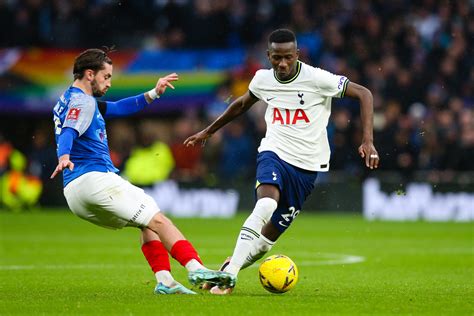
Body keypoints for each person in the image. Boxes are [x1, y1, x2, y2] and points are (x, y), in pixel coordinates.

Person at [184, 29, 380, 294]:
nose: (283, 64)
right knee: (265, 203)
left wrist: (367, 140)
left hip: (308, 167)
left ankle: (227, 268)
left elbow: (365, 94)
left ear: (297, 54)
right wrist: (209, 131)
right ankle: (230, 276)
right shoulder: (263, 79)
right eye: (277, 58)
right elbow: (241, 104)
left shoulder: (317, 78)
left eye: (288, 57)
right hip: (274, 152)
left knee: (265, 244)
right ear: (269, 56)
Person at [50, 48, 235, 295]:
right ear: (90, 74)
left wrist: (153, 93)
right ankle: (196, 268)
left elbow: (117, 108)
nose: (109, 83)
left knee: (147, 223)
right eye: (106, 77)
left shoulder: (70, 100)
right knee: (158, 218)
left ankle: (165, 281)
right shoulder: (82, 101)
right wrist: (64, 156)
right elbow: (69, 132)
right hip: (94, 179)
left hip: (74, 193)